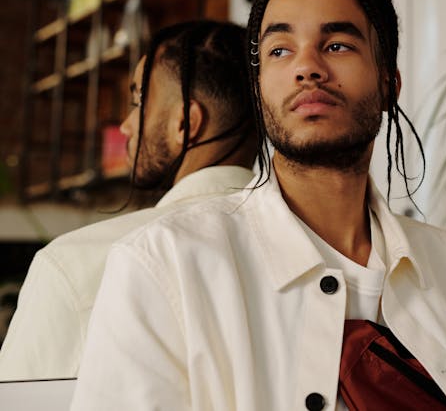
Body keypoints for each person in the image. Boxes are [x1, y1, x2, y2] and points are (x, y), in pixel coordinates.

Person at [71, 0, 446, 410]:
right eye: (280, 50)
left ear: (389, 83)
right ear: (258, 89)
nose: (307, 67)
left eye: (337, 45)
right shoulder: (165, 265)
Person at [0, 20, 257, 381]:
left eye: (139, 101)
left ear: (185, 123)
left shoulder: (77, 264)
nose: (126, 126)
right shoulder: (316, 249)